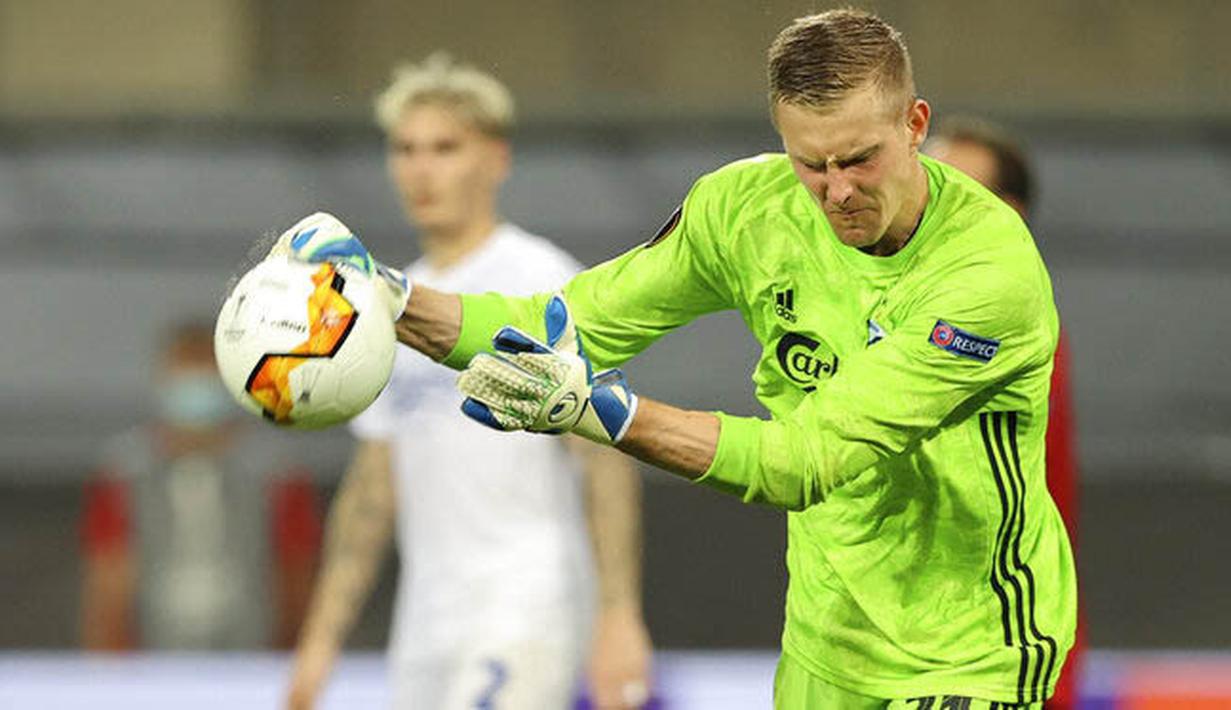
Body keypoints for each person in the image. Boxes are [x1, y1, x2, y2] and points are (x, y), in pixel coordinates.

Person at [274, 10, 1077, 708]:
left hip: (970, 646)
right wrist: (387, 298)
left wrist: (597, 411)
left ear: (913, 125)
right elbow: (560, 327)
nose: (835, 192)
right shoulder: (745, 210)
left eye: (859, 159)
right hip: (826, 640)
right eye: (811, 163)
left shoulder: (986, 277)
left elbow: (808, 461)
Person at [285, 55, 652, 710]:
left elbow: (602, 456)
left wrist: (618, 613)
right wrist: (320, 639)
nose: (421, 169)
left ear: (495, 159)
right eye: (405, 149)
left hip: (525, 599)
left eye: (444, 148)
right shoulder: (386, 302)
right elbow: (372, 487)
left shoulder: (536, 281)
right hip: (425, 617)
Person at [926, 118, 1082, 710]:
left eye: (957, 192)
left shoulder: (1001, 328)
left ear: (1008, 216)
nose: (929, 207)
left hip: (995, 656)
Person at [80, 320, 321, 651]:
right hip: (151, 658)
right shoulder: (124, 472)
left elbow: (296, 582)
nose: (195, 389)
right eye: (186, 373)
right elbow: (108, 585)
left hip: (252, 656)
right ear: (163, 380)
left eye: (206, 373)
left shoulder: (276, 472)